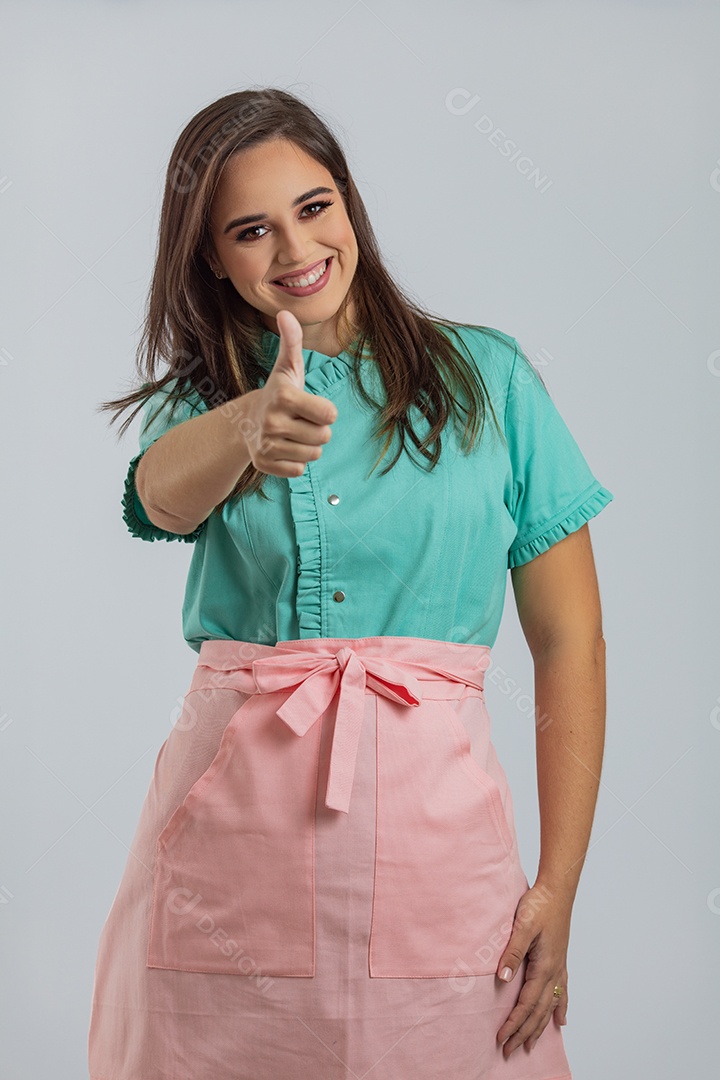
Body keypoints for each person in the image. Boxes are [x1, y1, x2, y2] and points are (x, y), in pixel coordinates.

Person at [88, 87, 613, 1080]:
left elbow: (569, 645)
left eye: (315, 205)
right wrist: (248, 424)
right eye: (251, 229)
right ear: (213, 257)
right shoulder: (203, 403)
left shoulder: (490, 381)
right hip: (231, 848)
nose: (295, 247)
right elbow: (158, 497)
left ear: (350, 203)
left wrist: (560, 884)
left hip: (441, 845)